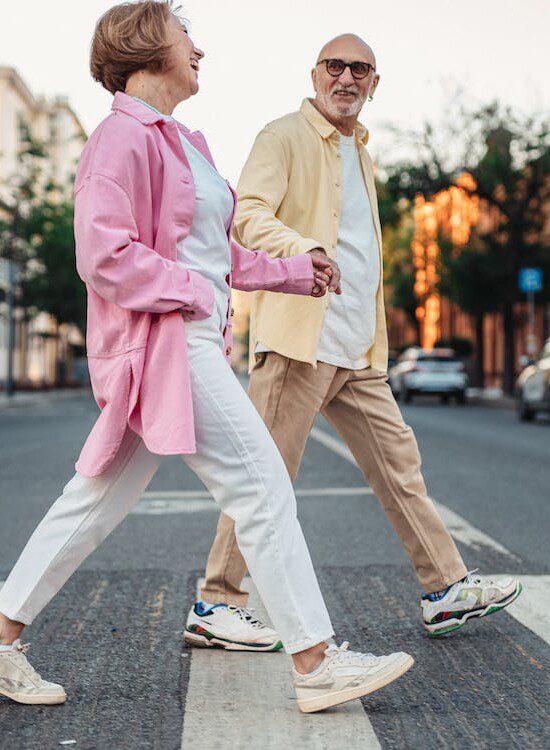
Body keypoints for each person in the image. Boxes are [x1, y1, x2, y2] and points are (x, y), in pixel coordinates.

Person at [0, 2, 414, 713]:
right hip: (168, 342)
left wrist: (292, 270)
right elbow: (103, 254)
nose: (200, 49)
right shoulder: (119, 139)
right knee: (262, 489)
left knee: (92, 503)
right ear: (146, 45)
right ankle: (315, 663)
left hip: (183, 339)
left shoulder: (184, 141)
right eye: (187, 35)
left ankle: (1, 639)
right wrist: (191, 292)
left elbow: (214, 251)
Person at [186, 32, 522, 650]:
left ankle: (445, 588)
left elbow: (363, 251)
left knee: (400, 467)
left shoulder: (362, 152)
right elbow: (248, 213)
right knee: (265, 477)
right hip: (299, 342)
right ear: (315, 74)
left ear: (374, 82)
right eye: (335, 66)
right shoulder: (282, 136)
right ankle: (216, 602)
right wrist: (301, 249)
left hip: (357, 348)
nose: (346, 77)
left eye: (359, 69)